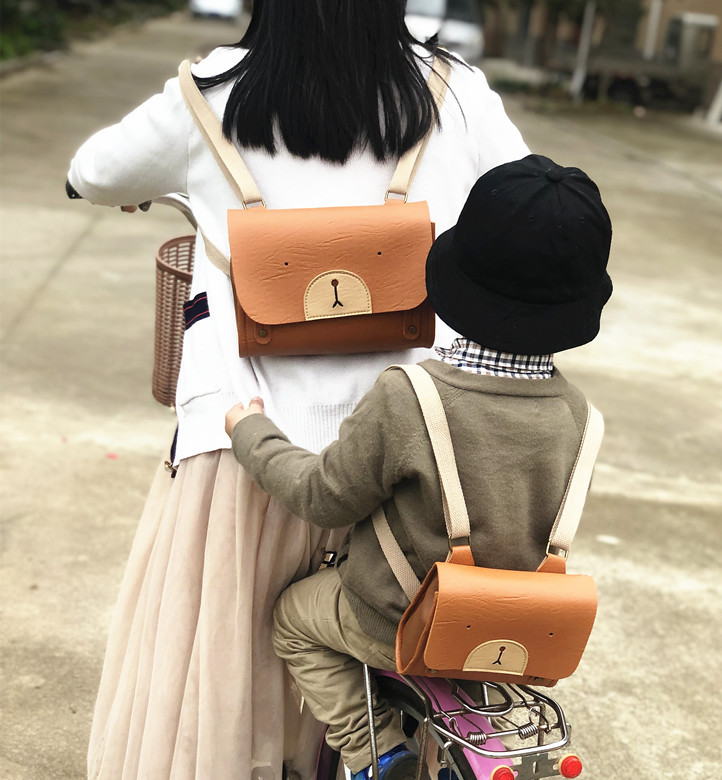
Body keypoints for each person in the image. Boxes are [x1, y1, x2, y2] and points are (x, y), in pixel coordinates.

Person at [67, 1, 530, 778]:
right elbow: (524, 199)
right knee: (385, 653)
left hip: (245, 448)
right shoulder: (456, 93)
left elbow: (93, 171)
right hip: (407, 452)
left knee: (225, 674)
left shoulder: (210, 96)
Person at [224, 155, 613, 779]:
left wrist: (251, 433)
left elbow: (324, 498)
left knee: (294, 619)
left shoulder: (410, 397)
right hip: (508, 630)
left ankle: (374, 748)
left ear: (457, 279)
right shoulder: (581, 417)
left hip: (392, 618)